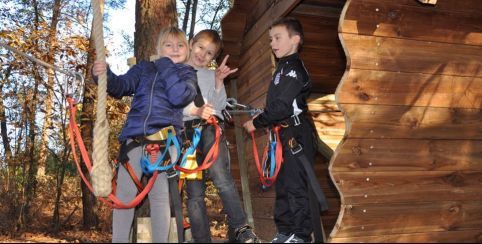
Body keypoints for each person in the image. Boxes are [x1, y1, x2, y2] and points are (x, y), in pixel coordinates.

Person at [92, 26, 197, 243]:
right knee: (124, 198)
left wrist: (165, 64)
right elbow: (121, 86)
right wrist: (105, 74)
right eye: (168, 45)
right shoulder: (144, 69)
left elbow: (179, 97)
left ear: (187, 50)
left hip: (164, 141)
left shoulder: (187, 73)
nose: (174, 49)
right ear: (159, 48)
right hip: (134, 140)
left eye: (180, 45)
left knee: (159, 198)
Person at [243, 17, 328, 243]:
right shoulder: (283, 68)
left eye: (277, 38)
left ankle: (300, 236)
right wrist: (261, 114)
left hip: (296, 136)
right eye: (271, 39)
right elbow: (278, 105)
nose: (272, 43)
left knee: (296, 186)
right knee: (283, 187)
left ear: (295, 40)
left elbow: (281, 108)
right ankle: (285, 232)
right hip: (283, 135)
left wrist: (257, 123)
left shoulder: (294, 70)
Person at [181, 29, 259, 243]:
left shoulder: (210, 74)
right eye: (200, 47)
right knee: (194, 193)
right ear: (190, 43)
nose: (202, 54)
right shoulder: (176, 71)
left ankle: (240, 227)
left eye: (209, 54)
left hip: (210, 128)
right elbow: (171, 107)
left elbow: (221, 105)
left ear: (213, 58)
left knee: (220, 175)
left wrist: (218, 82)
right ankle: (201, 238)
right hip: (186, 136)